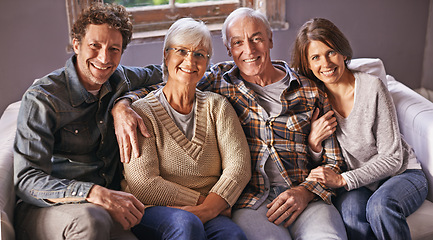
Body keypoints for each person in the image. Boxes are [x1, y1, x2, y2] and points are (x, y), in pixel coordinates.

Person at [113, 8, 347, 240]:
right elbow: (173, 85)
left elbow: (335, 162)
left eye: (256, 39)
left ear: (270, 39)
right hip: (253, 201)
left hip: (305, 197)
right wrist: (122, 105)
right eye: (238, 43)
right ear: (229, 49)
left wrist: (305, 190)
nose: (249, 49)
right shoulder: (220, 80)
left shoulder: (310, 90)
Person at [13, 3, 163, 240]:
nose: (104, 58)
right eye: (95, 45)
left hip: (105, 207)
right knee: (92, 221)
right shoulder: (42, 98)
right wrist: (92, 192)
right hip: (47, 208)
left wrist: (123, 102)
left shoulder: (120, 80)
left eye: (114, 49)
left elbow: (173, 74)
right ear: (76, 45)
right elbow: (27, 179)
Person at [292, 18, 428, 240]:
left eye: (331, 52)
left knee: (380, 207)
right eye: (315, 57)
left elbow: (393, 158)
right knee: (351, 216)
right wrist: (313, 144)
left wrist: (343, 180)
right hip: (360, 184)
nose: (325, 63)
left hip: (402, 174)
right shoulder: (314, 99)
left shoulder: (372, 87)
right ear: (307, 65)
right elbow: (322, 164)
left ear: (343, 52)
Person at [121, 18, 251, 240]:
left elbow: (239, 166)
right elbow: (143, 184)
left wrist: (209, 209)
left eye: (200, 54)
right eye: (181, 51)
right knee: (186, 225)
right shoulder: (141, 112)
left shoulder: (217, 106)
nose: (190, 60)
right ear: (166, 55)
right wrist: (206, 204)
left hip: (210, 205)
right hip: (151, 208)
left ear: (208, 62)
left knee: (233, 236)